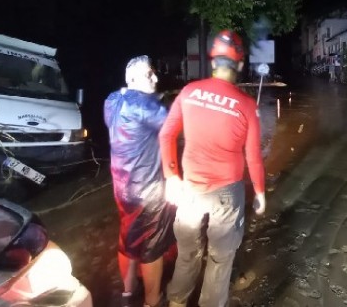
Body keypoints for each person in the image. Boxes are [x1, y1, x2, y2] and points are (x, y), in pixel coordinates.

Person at [159, 30, 266, 307]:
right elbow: (253, 156)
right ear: (240, 65)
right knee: (221, 257)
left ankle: (177, 301)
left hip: (190, 189)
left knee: (187, 252)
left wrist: (171, 176)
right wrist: (260, 193)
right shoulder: (245, 105)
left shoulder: (189, 92)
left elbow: (166, 135)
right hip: (227, 193)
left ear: (213, 62)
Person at [104, 55, 174, 307]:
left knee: (127, 239)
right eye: (148, 74)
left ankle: (127, 292)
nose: (155, 78)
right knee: (151, 247)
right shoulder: (149, 107)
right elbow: (175, 127)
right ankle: (152, 301)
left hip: (122, 188)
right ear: (133, 79)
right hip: (149, 193)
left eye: (154, 72)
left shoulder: (111, 100)